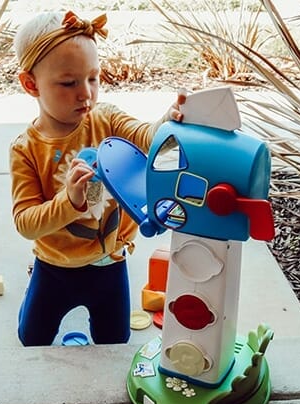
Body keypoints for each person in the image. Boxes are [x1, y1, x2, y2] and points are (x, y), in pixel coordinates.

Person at [10, 10, 186, 346]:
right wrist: (69, 201)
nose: (85, 94)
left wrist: (166, 123)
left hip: (109, 262)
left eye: (93, 78)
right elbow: (25, 223)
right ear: (31, 84)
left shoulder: (106, 119)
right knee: (31, 337)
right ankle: (32, 293)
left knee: (114, 340)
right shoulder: (26, 149)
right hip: (54, 266)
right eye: (68, 82)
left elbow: (145, 137)